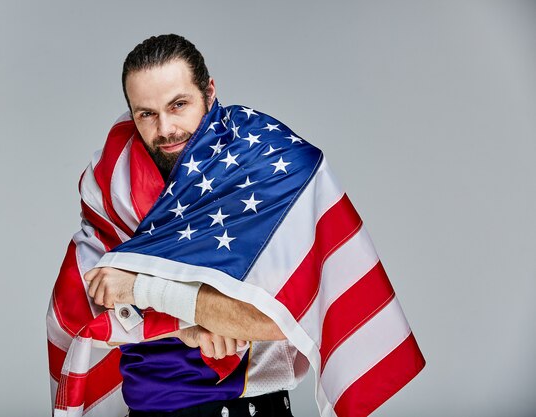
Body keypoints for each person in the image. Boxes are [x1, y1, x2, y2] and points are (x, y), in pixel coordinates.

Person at [47, 34, 425, 417]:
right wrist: (190, 324)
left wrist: (141, 287)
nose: (166, 129)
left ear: (209, 93)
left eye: (179, 105)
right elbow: (95, 296)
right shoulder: (112, 184)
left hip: (253, 406)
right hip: (152, 407)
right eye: (146, 113)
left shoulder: (266, 165)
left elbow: (286, 315)